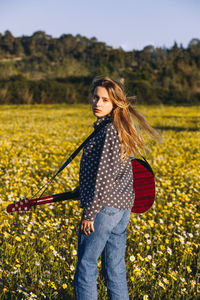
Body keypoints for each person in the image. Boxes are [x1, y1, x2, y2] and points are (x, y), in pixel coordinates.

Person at [73, 76, 160, 300]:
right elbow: (115, 172)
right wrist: (82, 189)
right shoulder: (116, 128)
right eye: (95, 97)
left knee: (86, 267)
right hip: (121, 210)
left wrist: (90, 213)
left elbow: (104, 177)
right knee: (115, 268)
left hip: (103, 210)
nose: (98, 103)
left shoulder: (108, 131)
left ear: (115, 104)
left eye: (105, 100)